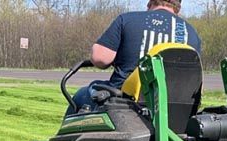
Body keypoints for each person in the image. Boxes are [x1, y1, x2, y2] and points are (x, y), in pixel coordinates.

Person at [67, 0, 201, 115]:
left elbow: (100, 58)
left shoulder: (127, 20)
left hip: (124, 102)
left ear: (150, 3)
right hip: (173, 106)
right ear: (178, 8)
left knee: (82, 95)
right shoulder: (192, 33)